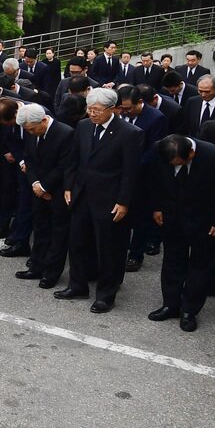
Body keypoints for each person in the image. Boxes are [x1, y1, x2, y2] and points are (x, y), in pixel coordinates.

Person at [55, 88, 142, 313]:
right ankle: (77, 285)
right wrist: (68, 187)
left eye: (97, 110)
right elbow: (73, 159)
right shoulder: (83, 127)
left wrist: (124, 201)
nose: (92, 114)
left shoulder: (129, 133)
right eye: (90, 109)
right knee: (77, 242)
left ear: (113, 109)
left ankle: (105, 294)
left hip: (110, 198)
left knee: (109, 248)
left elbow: (131, 172)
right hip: (81, 194)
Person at [148, 134, 215, 332]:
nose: (175, 166)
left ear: (191, 154)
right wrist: (157, 207)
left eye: (179, 163)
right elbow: (154, 181)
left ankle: (190, 309)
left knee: (199, 265)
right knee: (172, 260)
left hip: (203, 219)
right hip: (171, 216)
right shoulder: (158, 148)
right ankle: (170, 304)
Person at [14, 103, 76, 290]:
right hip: (38, 190)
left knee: (58, 234)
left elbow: (65, 166)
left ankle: (51, 273)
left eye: (33, 129)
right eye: (28, 130)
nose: (31, 133)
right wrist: (35, 184)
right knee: (40, 229)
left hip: (57, 192)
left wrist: (45, 186)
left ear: (43, 120)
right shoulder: (31, 131)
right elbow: (29, 159)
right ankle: (37, 266)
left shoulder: (65, 133)